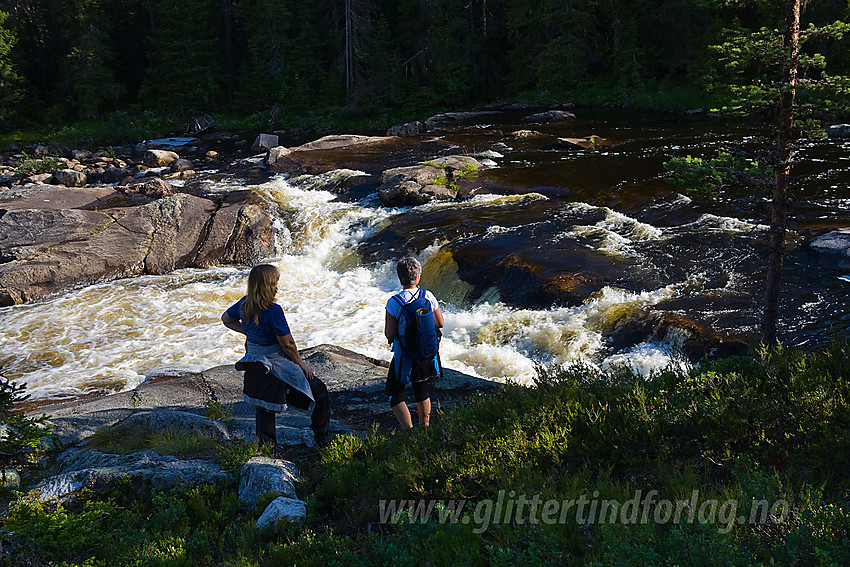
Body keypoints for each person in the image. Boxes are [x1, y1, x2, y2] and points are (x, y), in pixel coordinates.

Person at [221, 264, 330, 449]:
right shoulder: (273, 310)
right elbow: (287, 344)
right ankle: (322, 437)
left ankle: (267, 447)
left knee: (263, 402)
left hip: (254, 363)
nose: (279, 282)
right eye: (277, 280)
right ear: (270, 284)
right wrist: (302, 365)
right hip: (275, 363)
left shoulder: (244, 304)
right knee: (318, 390)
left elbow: (226, 319)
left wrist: (249, 334)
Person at [384, 256, 445, 428]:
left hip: (404, 355)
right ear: (418, 277)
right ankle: (424, 429)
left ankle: (408, 431)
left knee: (394, 393)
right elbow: (440, 323)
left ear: (399, 277)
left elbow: (390, 333)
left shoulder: (394, 302)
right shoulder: (428, 295)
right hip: (424, 353)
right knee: (422, 392)